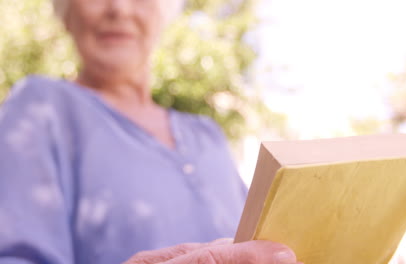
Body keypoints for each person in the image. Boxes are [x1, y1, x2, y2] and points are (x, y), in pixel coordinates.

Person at [0, 0, 302, 263]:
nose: (119, 7)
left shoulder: (207, 134)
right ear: (66, 12)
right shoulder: (40, 107)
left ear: (162, 12)